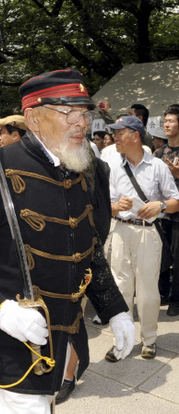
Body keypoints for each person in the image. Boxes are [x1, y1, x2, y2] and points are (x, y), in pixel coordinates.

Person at [0, 69, 133, 413]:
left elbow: (87, 247)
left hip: (62, 341)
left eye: (85, 113)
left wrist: (114, 308)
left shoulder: (86, 169)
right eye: (68, 113)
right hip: (10, 348)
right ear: (33, 118)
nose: (81, 123)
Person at [106, 115, 179, 360]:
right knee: (120, 287)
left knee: (148, 290)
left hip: (148, 233)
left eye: (119, 133)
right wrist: (116, 205)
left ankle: (149, 339)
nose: (114, 137)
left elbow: (175, 201)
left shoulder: (157, 166)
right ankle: (122, 341)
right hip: (120, 229)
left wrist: (158, 206)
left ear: (134, 136)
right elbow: (105, 203)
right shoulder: (114, 166)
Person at [153, 108, 179, 316]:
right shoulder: (159, 153)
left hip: (178, 216)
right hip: (161, 214)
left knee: (177, 259)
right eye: (165, 121)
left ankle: (176, 299)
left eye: (171, 121)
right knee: (161, 255)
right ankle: (162, 292)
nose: (166, 124)